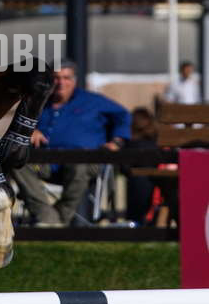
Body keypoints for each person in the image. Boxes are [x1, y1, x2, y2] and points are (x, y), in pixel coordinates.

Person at [9, 60, 131, 226]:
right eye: (56, 78)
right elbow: (17, 125)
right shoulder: (37, 101)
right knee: (18, 163)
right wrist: (30, 131)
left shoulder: (93, 101)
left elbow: (123, 115)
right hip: (46, 163)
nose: (61, 83)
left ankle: (57, 221)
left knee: (78, 166)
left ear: (74, 80)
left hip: (84, 161)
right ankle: (49, 218)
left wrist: (117, 141)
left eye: (66, 78)